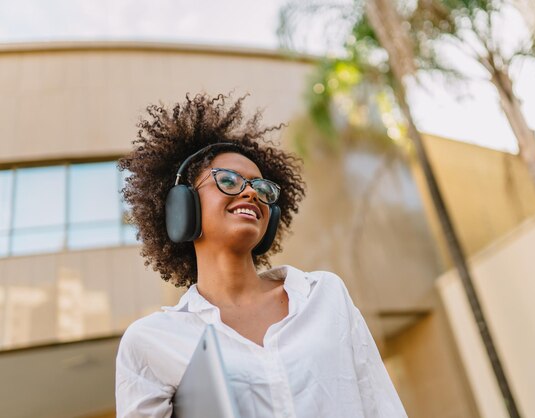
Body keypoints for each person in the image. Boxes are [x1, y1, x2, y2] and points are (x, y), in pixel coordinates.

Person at [115, 93, 407, 418]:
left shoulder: (325, 296)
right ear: (182, 207)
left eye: (262, 188)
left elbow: (381, 406)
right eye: (227, 180)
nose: (252, 192)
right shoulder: (152, 341)